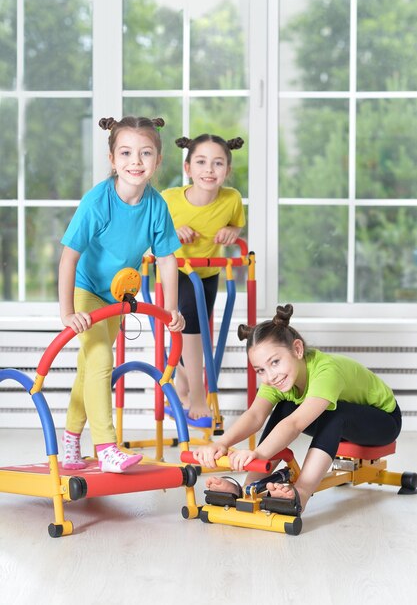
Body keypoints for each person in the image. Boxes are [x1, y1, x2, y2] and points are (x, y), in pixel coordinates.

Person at [59, 115, 185, 473]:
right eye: (127, 153)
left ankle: (70, 439)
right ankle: (106, 447)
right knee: (100, 359)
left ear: (158, 161)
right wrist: (67, 312)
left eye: (146, 153)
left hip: (117, 297)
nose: (136, 161)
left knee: (90, 369)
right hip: (86, 290)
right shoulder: (98, 202)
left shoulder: (157, 206)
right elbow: (69, 257)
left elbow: (166, 260)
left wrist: (171, 309)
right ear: (112, 159)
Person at [193, 304, 402, 513]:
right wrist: (221, 443)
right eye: (261, 370)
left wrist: (258, 453)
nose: (270, 376)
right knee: (286, 406)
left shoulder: (325, 372)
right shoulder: (277, 380)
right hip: (344, 423)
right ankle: (249, 489)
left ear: (298, 349)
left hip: (383, 422)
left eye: (275, 362)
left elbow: (295, 424)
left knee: (334, 415)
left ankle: (301, 492)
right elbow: (255, 415)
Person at [161, 134, 246, 419]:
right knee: (192, 331)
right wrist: (174, 233)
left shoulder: (232, 198)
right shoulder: (169, 199)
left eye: (217, 163)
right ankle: (197, 397)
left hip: (208, 273)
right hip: (177, 272)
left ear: (227, 171)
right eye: (201, 162)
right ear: (188, 168)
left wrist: (233, 233)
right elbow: (152, 237)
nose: (209, 170)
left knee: (196, 335)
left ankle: (180, 377)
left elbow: (235, 226)